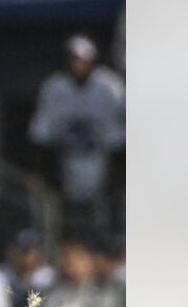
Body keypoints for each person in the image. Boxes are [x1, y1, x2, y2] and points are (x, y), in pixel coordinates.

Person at [28, 34, 125, 238]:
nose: (77, 64)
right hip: (65, 163)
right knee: (63, 224)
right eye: (73, 59)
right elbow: (41, 134)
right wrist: (39, 170)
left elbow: (119, 139)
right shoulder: (55, 87)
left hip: (100, 162)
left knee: (104, 221)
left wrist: (120, 175)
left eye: (82, 59)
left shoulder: (109, 87)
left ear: (92, 61)